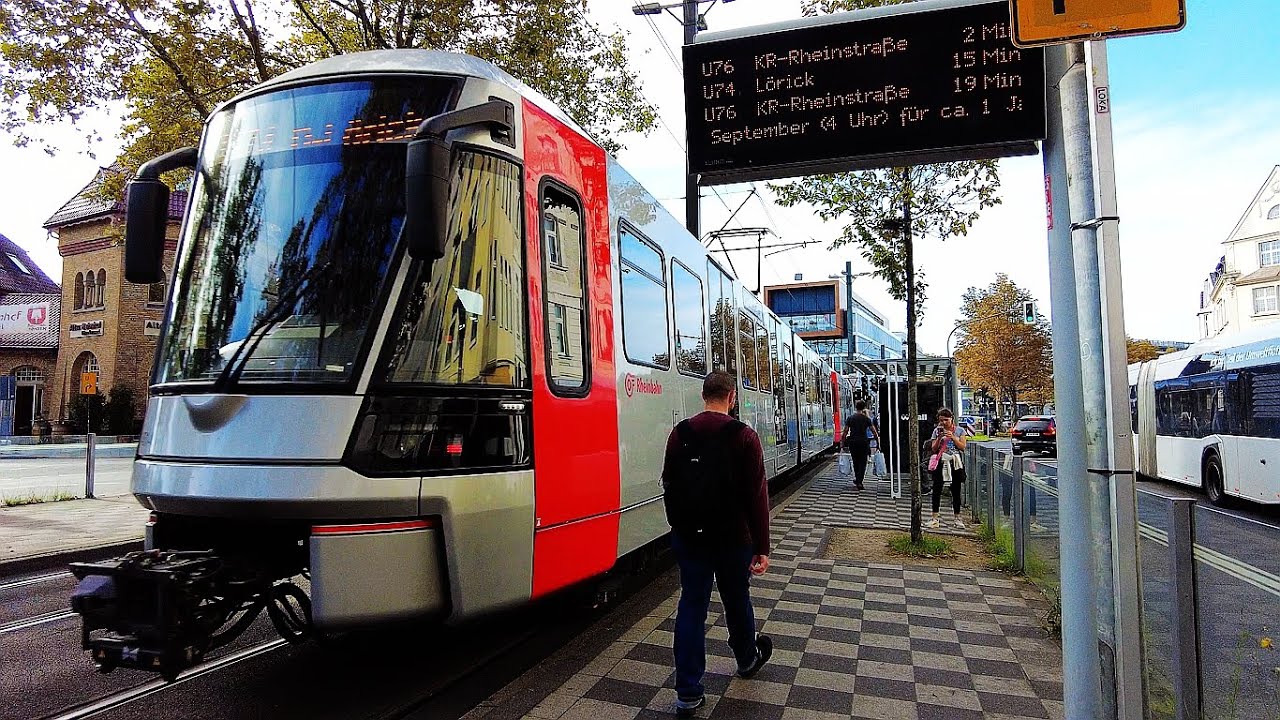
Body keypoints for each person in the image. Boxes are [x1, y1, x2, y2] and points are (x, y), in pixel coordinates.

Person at [661, 371, 773, 718]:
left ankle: (688, 692)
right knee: (737, 599)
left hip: (690, 537)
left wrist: (679, 528)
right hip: (733, 538)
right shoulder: (744, 437)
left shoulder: (679, 434)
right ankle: (745, 658)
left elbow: (669, 484)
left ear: (703, 395)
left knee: (692, 606)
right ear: (732, 397)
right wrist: (762, 546)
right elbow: (757, 497)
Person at [925, 407, 969, 529]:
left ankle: (957, 517)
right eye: (941, 420)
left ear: (952, 419)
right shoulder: (937, 431)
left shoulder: (960, 431)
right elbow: (934, 448)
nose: (944, 423)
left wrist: (953, 437)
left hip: (955, 462)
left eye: (946, 420)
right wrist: (939, 437)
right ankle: (935, 517)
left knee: (956, 489)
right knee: (937, 489)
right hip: (941, 461)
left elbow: (962, 447)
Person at [842, 400, 879, 490]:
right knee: (863, 462)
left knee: (855, 461)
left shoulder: (850, 418)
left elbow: (845, 431)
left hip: (853, 442)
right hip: (863, 442)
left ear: (856, 407)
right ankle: (860, 481)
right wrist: (878, 442)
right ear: (864, 408)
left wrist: (842, 442)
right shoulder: (866, 419)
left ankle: (858, 479)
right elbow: (874, 431)